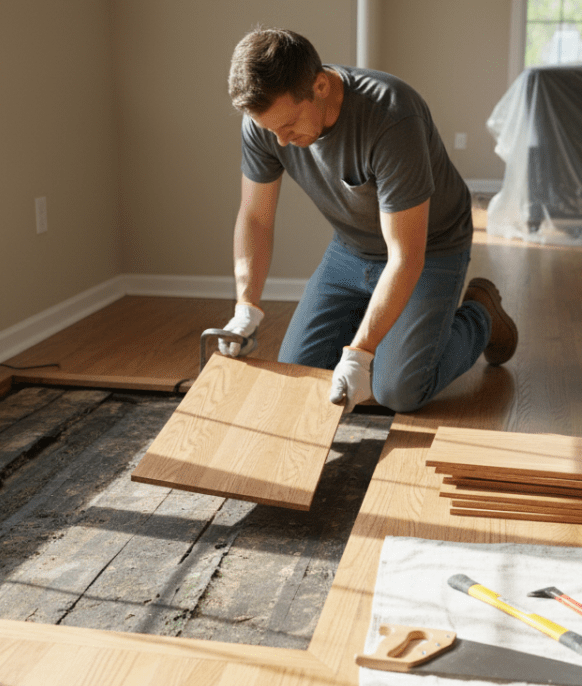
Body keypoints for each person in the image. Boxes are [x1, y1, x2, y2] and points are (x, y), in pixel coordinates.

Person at [219, 27, 517, 413]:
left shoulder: (392, 115)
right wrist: (246, 305)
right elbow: (255, 218)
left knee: (397, 389)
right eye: (270, 129)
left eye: (288, 126)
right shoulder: (269, 124)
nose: (280, 141)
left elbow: (405, 256)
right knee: (300, 375)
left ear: (320, 86)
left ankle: (481, 315)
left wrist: (359, 354)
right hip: (352, 248)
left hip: (431, 245)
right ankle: (377, 320)